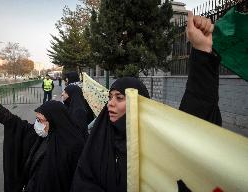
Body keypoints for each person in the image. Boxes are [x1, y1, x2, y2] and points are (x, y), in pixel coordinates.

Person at [71, 11, 221, 192]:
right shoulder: (98, 139)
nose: (110, 103)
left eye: (119, 98)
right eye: (110, 97)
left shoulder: (156, 143)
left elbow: (195, 124)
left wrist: (202, 52)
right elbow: (83, 180)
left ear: (138, 103)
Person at [0, 93, 85, 192]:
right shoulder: (41, 134)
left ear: (54, 121)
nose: (37, 124)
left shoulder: (72, 147)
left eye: (40, 120)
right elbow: (15, 123)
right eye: (36, 119)